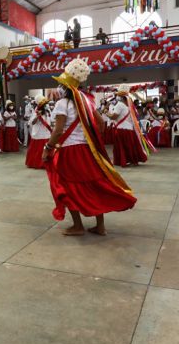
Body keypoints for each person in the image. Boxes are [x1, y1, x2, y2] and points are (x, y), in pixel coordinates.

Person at [43, 58, 136, 235]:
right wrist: (90, 139)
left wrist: (48, 148)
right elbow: (100, 123)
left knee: (67, 187)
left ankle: (78, 226)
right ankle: (100, 226)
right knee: (94, 186)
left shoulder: (63, 104)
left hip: (70, 151)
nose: (59, 88)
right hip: (87, 150)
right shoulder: (86, 101)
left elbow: (58, 131)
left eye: (61, 85)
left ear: (66, 86)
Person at [109, 86, 148, 166]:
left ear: (120, 97)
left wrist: (107, 113)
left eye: (118, 95)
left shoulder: (119, 105)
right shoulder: (129, 106)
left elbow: (114, 116)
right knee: (130, 146)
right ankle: (133, 160)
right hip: (129, 129)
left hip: (121, 129)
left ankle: (123, 161)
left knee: (122, 147)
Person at [25, 95, 51, 169]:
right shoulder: (36, 110)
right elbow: (32, 122)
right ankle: (37, 163)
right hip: (38, 133)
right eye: (44, 103)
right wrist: (37, 116)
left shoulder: (47, 110)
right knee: (38, 150)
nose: (46, 105)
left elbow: (49, 120)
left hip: (46, 133)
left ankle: (47, 163)